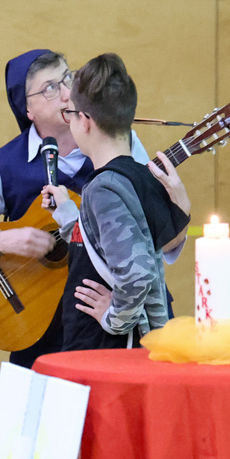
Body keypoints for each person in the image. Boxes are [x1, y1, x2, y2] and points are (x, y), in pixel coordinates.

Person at [0, 49, 176, 367]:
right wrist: (3, 241)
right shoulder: (3, 164)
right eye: (49, 88)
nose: (67, 93)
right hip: (40, 334)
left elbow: (156, 242)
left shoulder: (118, 142)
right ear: (27, 109)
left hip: (116, 332)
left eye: (68, 78)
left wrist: (177, 207)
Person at [42, 53, 192, 351]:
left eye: (70, 114)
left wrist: (113, 319)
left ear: (85, 121)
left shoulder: (104, 188)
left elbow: (138, 275)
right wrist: (69, 215)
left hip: (105, 349)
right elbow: (105, 248)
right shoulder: (139, 178)